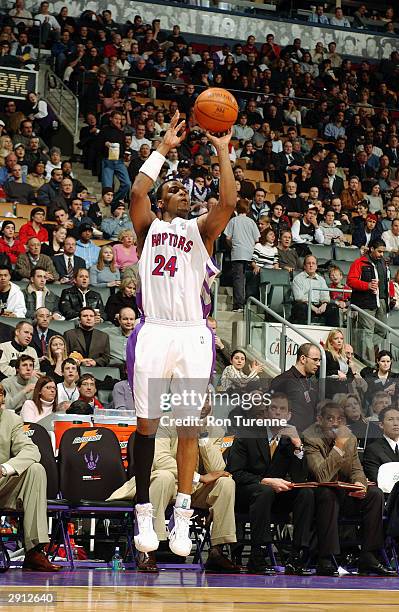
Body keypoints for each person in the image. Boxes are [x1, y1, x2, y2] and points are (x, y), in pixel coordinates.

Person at [127, 110, 236, 556]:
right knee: (148, 427)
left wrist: (223, 151)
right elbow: (138, 189)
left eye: (186, 190)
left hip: (191, 333)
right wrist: (162, 150)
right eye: (174, 189)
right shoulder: (147, 228)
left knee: (190, 426)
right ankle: (144, 513)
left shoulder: (200, 231)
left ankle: (184, 513)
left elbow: (227, 202)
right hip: (154, 330)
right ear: (162, 202)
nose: (183, 194)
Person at [108, 413, 239, 573]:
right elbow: (160, 460)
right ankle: (148, 550)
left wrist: (203, 436)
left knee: (226, 482)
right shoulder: (166, 422)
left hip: (196, 489)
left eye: (206, 399)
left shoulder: (215, 430)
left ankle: (217, 550)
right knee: (164, 476)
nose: (202, 405)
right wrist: (198, 476)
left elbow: (217, 469)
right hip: (169, 484)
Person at [303, 401, 395, 577]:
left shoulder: (350, 438)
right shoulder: (310, 438)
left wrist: (360, 483)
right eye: (330, 419)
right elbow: (322, 476)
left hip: (345, 495)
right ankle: (326, 557)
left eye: (340, 419)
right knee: (327, 492)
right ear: (319, 420)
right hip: (319, 497)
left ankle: (368, 555)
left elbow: (356, 469)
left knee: (374, 493)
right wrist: (338, 446)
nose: (336, 423)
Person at [228, 392, 314, 575]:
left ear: (289, 416)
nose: (277, 413)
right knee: (264, 491)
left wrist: (298, 446)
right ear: (266, 412)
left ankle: (296, 555)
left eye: (282, 410)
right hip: (247, 494)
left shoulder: (290, 440)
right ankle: (257, 556)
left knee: (306, 493)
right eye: (273, 408)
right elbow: (234, 473)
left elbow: (299, 478)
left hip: (276, 496)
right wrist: (264, 481)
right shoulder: (247, 434)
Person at [0, 383, 60, 571]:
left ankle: (34, 550)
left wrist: (5, 468)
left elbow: (31, 450)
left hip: (2, 484)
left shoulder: (11, 419)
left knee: (36, 469)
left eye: (0, 395)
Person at [347, 238, 390, 365]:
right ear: (371, 249)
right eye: (379, 252)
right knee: (367, 333)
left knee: (382, 331)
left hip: (381, 301)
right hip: (365, 303)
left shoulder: (383, 263)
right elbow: (350, 281)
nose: (382, 254)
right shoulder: (359, 262)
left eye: (383, 252)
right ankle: (369, 364)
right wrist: (367, 285)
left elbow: (386, 282)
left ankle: (362, 349)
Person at [270, 343, 320, 432]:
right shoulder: (283, 380)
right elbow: (270, 412)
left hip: (308, 438)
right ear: (303, 359)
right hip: (288, 439)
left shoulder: (311, 382)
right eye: (315, 360)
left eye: (319, 360)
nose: (318, 364)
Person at [224, 199, 260, 312]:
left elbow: (228, 238)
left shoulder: (233, 221)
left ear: (236, 209)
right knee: (247, 278)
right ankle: (247, 302)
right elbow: (257, 239)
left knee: (239, 278)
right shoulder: (251, 222)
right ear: (248, 209)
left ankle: (239, 304)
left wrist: (233, 245)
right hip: (250, 253)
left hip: (238, 253)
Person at [291, 255, 339, 326]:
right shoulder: (298, 279)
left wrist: (324, 304)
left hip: (318, 305)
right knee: (301, 307)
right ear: (304, 266)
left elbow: (325, 295)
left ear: (316, 266)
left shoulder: (321, 279)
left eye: (313, 263)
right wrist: (312, 307)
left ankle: (332, 334)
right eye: (308, 263)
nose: (311, 265)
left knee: (333, 307)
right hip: (305, 305)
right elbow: (299, 297)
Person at [363, 406, 399, 484]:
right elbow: (376, 479)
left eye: (398, 419)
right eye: (390, 419)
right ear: (381, 425)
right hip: (389, 494)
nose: (396, 423)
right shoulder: (373, 450)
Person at [323, 329, 355, 398]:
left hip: (343, 391)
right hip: (331, 392)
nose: (339, 341)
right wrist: (337, 372)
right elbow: (320, 372)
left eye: (341, 339)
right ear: (331, 342)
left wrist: (346, 377)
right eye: (336, 338)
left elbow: (350, 376)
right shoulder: (326, 354)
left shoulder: (343, 356)